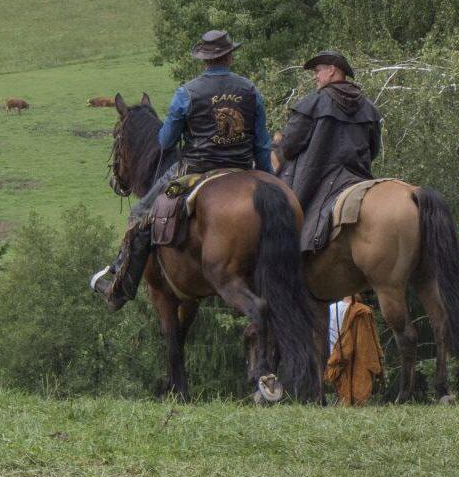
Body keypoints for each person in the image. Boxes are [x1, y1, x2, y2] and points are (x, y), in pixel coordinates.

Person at [90, 30, 271, 308]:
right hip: (242, 168)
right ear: (230, 56)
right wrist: (269, 177)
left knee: (140, 213)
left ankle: (119, 289)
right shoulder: (250, 90)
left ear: (204, 60)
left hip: (195, 169)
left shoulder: (187, 93)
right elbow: (262, 143)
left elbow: (165, 140)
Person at [273, 50, 382, 253]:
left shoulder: (312, 104)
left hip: (317, 181)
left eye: (318, 71)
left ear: (332, 71)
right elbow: (374, 150)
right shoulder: (369, 108)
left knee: (280, 224)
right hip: (358, 177)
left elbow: (288, 148)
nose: (315, 76)